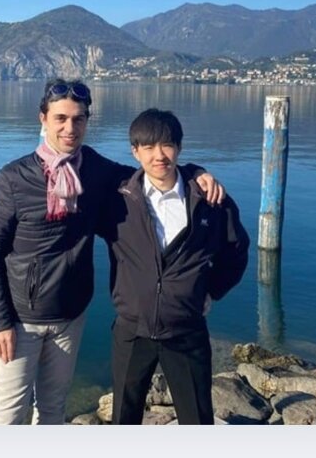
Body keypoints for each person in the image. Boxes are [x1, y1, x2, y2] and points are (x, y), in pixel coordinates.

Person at [0, 79, 224, 425]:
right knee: (9, 413)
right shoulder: (13, 179)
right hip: (21, 319)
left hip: (70, 314)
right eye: (61, 118)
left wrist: (195, 173)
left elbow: (149, 172)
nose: (70, 128)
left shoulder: (93, 169)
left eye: (78, 119)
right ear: (43, 119)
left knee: (53, 407)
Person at [99, 108, 250, 425]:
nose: (159, 155)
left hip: (186, 330)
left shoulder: (210, 200)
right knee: (123, 418)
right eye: (148, 147)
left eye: (167, 145)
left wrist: (211, 291)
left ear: (179, 147)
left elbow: (236, 250)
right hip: (132, 329)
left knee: (196, 419)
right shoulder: (116, 199)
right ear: (135, 151)